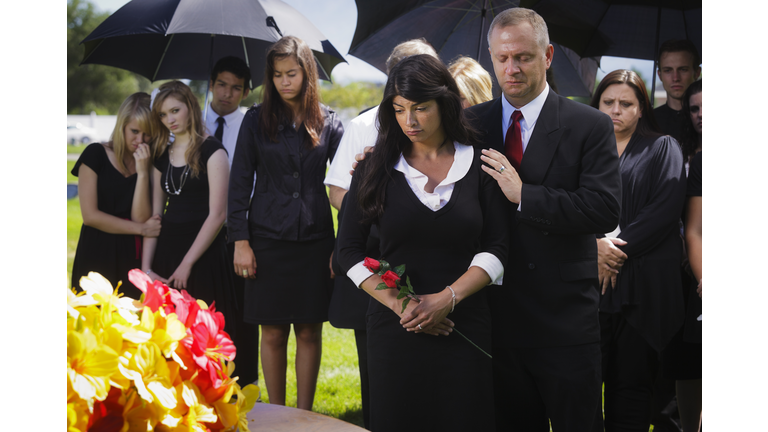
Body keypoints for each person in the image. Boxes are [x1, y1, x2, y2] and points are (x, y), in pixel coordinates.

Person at [337, 54, 508, 432]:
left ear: (444, 103)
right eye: (398, 110)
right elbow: (349, 250)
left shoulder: (481, 164)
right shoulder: (373, 168)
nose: (409, 121)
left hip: (465, 327)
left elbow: (497, 248)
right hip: (395, 331)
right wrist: (408, 308)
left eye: (420, 108)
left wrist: (447, 299)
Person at [469, 8, 621, 430]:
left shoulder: (588, 125)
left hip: (565, 324)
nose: (511, 68)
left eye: (523, 57)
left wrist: (525, 196)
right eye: (502, 58)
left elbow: (604, 209)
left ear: (548, 55)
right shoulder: (470, 124)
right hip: (495, 318)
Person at [324, 38, 438, 429]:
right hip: (379, 259)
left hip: (438, 268)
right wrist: (378, 216)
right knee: (379, 365)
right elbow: (339, 188)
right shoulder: (362, 126)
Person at [227, 35, 344, 411]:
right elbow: (239, 183)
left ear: (307, 74)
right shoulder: (254, 120)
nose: (284, 82)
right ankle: (277, 415)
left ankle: (304, 416)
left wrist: (341, 247)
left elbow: (347, 188)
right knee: (273, 331)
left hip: (316, 242)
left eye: (291, 73)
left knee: (310, 330)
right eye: (276, 75)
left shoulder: (330, 123)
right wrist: (240, 241)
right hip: (266, 240)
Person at [590, 69, 687, 431]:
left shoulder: (663, 147)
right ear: (596, 104)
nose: (615, 110)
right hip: (591, 284)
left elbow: (663, 210)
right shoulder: (582, 149)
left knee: (631, 388)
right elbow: (569, 206)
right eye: (608, 102)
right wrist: (594, 248)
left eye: (626, 103)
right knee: (584, 384)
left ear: (642, 108)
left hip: (641, 286)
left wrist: (612, 251)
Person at [141, 81, 238, 335]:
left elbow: (218, 215)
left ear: (190, 107)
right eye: (162, 114)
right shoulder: (161, 154)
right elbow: (155, 216)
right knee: (167, 335)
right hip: (167, 252)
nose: (169, 119)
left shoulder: (213, 151)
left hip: (203, 254)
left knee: (202, 333)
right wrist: (147, 268)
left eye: (175, 110)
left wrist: (187, 264)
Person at [71, 92, 161, 299]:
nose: (140, 140)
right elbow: (90, 216)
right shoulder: (95, 155)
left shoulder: (150, 163)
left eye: (147, 134)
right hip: (96, 251)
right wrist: (142, 229)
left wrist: (143, 172)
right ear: (121, 126)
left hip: (131, 256)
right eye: (134, 131)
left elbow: (141, 215)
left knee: (129, 324)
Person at [204, 55, 260, 387]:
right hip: (198, 233)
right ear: (210, 85)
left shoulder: (252, 126)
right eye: (221, 85)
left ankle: (245, 387)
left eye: (236, 88)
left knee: (242, 315)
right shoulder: (190, 121)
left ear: (246, 92)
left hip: (240, 232)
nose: (227, 93)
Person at [673, 80, 703, 432]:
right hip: (692, 275)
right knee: (690, 364)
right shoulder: (696, 161)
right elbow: (694, 228)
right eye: (694, 109)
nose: (702, 116)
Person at [653, 39, 701, 142]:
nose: (675, 78)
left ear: (697, 73)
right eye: (668, 70)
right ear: (659, 75)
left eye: (683, 69)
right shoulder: (648, 123)